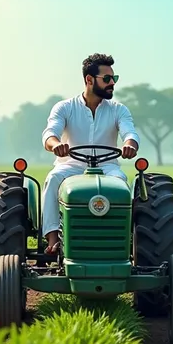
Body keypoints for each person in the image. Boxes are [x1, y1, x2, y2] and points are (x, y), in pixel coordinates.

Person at [41, 53, 140, 253]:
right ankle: (53, 240)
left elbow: (130, 133)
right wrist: (56, 145)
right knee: (53, 178)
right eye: (107, 79)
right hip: (71, 166)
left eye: (114, 79)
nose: (112, 83)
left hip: (107, 168)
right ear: (89, 80)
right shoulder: (65, 107)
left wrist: (129, 145)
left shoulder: (119, 110)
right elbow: (50, 134)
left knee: (121, 184)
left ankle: (124, 242)